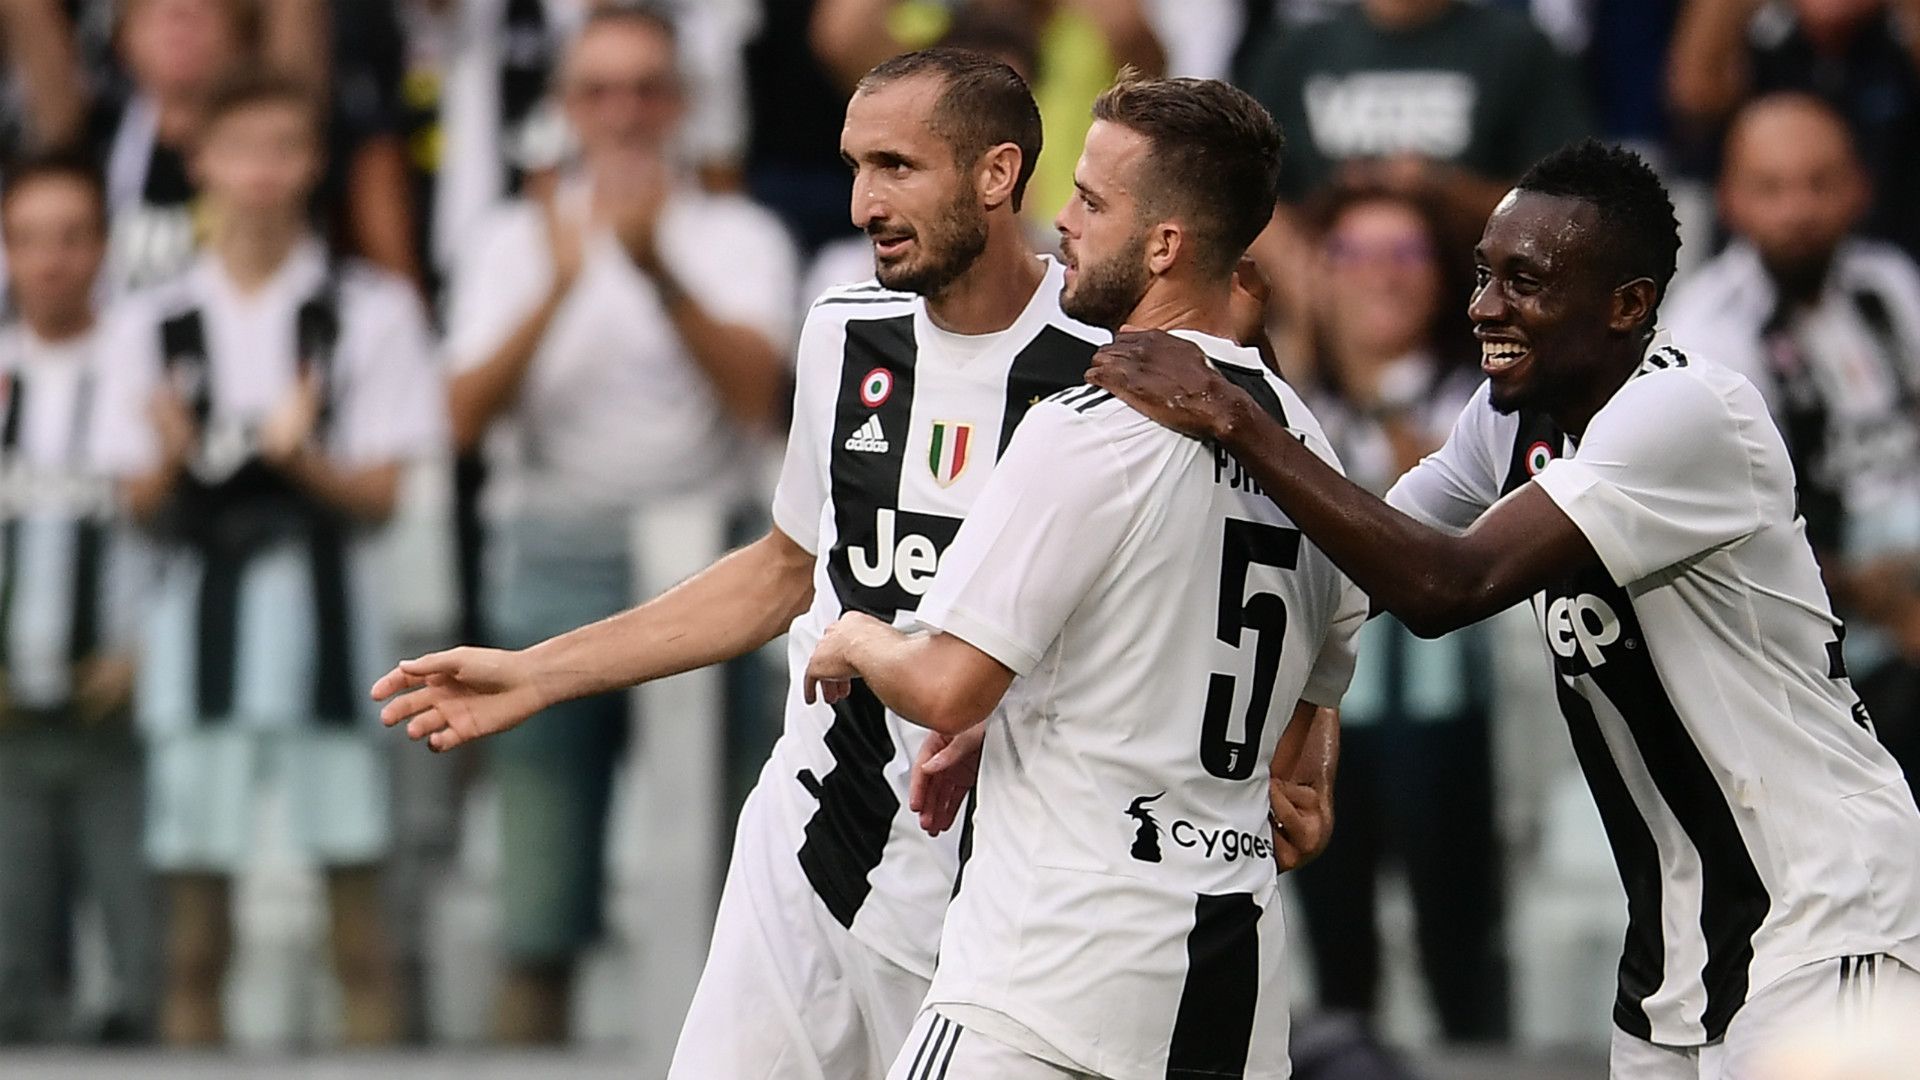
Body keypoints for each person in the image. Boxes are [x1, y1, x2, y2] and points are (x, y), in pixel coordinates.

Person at [1087, 139, 1920, 1078]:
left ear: (1628, 306)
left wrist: (1235, 414)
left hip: (1825, 908)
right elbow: (1358, 574)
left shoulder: (1690, 414)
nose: (1484, 308)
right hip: (1679, 955)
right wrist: (1259, 375)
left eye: (1524, 282)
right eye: (1484, 276)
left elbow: (1449, 586)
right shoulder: (1509, 419)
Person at [373, 48, 1105, 1076]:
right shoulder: (846, 335)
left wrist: (1305, 737)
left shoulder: (1107, 368)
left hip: (995, 868)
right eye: (855, 167)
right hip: (812, 826)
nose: (863, 203)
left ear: (996, 175)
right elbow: (782, 570)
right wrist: (535, 671)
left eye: (897, 167)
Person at [802, 73, 1362, 1079]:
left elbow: (944, 685)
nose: (1062, 217)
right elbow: (1309, 710)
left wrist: (854, 636)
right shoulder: (1306, 445)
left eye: (1095, 201)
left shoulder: (1088, 430)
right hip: (1225, 993)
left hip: (1046, 980)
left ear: (1164, 246)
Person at [437, 8, 796, 1043]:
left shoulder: (738, 236)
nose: (625, 112)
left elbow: (758, 399)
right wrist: (560, 281)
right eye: (600, 90)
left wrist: (652, 268)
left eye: (646, 87)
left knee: (740, 887)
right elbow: (460, 421)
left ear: (681, 103)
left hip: (718, 554)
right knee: (537, 895)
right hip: (557, 545)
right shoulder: (510, 239)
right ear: (564, 108)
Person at [89, 70, 443, 1047]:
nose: (262, 174)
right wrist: (178, 460)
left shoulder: (367, 310)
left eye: (284, 149)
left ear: (311, 165)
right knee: (196, 931)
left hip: (333, 631)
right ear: (201, 163)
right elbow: (134, 498)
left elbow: (380, 497)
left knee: (357, 923)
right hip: (199, 625)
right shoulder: (150, 318)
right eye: (240, 150)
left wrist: (298, 459)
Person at [1286, 182, 1507, 1040]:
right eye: (1356, 256)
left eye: (1405, 255)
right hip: (1317, 714)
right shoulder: (1282, 398)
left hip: (1451, 709)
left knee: (1461, 943)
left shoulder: (1483, 396)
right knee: (1336, 955)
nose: (1381, 278)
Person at [1664, 93, 1920, 783]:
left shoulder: (1890, 288)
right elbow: (1738, 537)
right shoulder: (1705, 332)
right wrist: (1893, 608)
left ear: (1859, 188)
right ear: (1731, 199)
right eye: (1771, 188)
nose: (1798, 210)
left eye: (1820, 183)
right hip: (1815, 643)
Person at [0, 153, 157, 1045]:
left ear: (102, 246)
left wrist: (147, 654)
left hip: (120, 709)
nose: (51, 261)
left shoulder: (149, 366)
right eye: (28, 240)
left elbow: (184, 538)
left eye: (71, 238)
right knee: (8, 968)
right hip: (7, 713)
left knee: (145, 958)